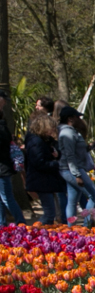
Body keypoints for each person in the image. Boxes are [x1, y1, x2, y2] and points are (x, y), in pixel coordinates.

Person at [59, 107, 95, 224]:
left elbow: (76, 151)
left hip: (72, 168)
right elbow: (70, 156)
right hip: (72, 169)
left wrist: (88, 147)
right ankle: (87, 224)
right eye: (77, 117)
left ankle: (71, 227)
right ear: (70, 119)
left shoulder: (71, 131)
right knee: (94, 195)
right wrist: (77, 175)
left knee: (73, 199)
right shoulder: (67, 133)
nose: (79, 119)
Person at [24, 114, 65, 224]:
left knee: (50, 212)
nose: (52, 130)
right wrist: (56, 164)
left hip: (46, 180)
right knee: (49, 213)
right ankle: (35, 230)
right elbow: (39, 162)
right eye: (51, 127)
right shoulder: (36, 142)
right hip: (41, 180)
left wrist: (56, 154)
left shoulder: (45, 140)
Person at [0, 90, 27, 226]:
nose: (4, 104)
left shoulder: (2, 122)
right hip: (3, 166)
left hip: (3, 166)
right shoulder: (2, 123)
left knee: (6, 197)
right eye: (3, 101)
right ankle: (3, 223)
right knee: (4, 197)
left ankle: (20, 222)